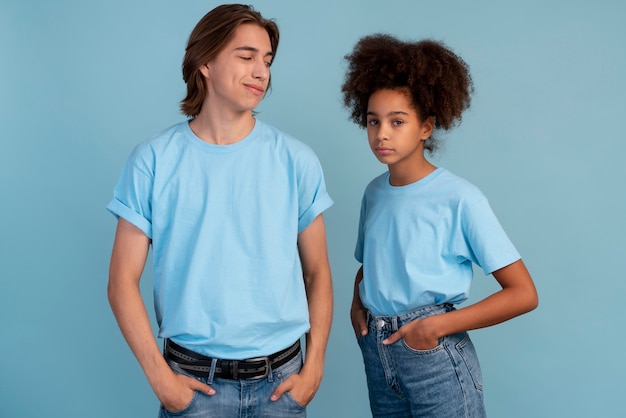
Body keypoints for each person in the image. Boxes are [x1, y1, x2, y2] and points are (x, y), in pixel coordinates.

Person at [107, 4, 333, 417]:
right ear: (205, 62)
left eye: (266, 60)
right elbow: (122, 281)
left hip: (282, 385)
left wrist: (314, 365)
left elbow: (317, 271)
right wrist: (161, 380)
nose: (261, 71)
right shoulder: (152, 160)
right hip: (192, 386)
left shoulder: (297, 160)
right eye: (246, 57)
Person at [342, 34, 538, 417]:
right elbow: (372, 263)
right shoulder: (374, 194)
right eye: (373, 121)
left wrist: (433, 328)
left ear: (426, 127)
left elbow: (523, 293)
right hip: (378, 352)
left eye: (397, 121)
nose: (382, 133)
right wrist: (357, 305)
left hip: (432, 354)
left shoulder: (460, 198)